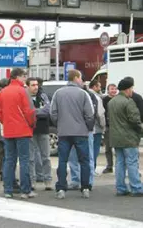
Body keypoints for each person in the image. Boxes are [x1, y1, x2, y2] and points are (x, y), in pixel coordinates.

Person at [50, 69, 95, 199]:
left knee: (63, 161)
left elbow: (53, 113)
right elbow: (90, 114)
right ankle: (85, 187)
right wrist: (88, 128)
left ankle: (61, 188)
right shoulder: (83, 94)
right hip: (81, 132)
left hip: (64, 132)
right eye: (81, 78)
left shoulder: (58, 93)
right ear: (76, 77)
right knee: (84, 161)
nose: (82, 81)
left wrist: (60, 124)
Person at [0, 68, 37, 199]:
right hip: (23, 129)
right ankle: (26, 190)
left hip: (8, 130)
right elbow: (29, 111)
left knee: (9, 160)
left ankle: (8, 189)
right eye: (24, 76)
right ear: (18, 77)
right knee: (24, 160)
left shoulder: (3, 92)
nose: (25, 79)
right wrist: (31, 124)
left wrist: (6, 122)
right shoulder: (22, 91)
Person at [108, 78, 143, 196]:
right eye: (132, 88)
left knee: (119, 163)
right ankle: (136, 188)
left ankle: (120, 188)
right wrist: (140, 131)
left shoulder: (111, 102)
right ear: (128, 89)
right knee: (132, 162)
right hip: (129, 138)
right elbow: (135, 120)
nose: (132, 90)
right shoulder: (129, 102)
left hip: (116, 138)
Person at [26, 77, 52, 191]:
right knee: (30, 158)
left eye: (36, 85)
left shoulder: (43, 96)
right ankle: (32, 181)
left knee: (46, 157)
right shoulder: (25, 97)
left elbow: (47, 110)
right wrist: (38, 111)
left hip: (43, 129)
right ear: (28, 86)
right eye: (32, 85)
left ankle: (48, 180)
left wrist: (35, 112)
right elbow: (26, 112)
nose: (35, 87)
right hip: (30, 130)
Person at [89, 80, 106, 170]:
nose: (100, 89)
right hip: (96, 127)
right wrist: (103, 125)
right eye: (99, 87)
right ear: (94, 87)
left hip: (87, 127)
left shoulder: (85, 94)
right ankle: (93, 168)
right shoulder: (97, 98)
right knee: (94, 150)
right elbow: (100, 114)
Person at [102, 84, 118, 174]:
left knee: (118, 148)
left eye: (115, 89)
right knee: (108, 148)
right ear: (108, 90)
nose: (114, 91)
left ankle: (119, 166)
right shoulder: (104, 100)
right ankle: (109, 166)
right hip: (108, 127)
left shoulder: (118, 99)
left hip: (117, 127)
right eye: (112, 89)